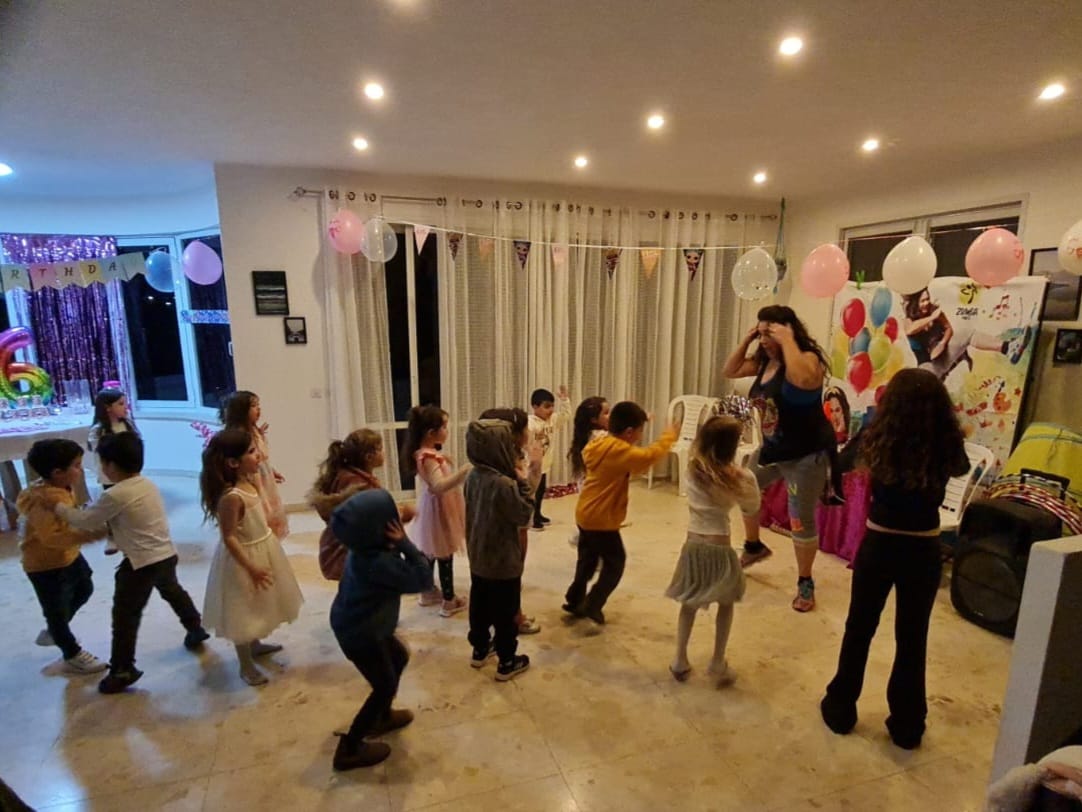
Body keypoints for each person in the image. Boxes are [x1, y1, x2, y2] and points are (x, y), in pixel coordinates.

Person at [820, 368, 970, 750]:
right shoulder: (945, 441)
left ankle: (840, 708)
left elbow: (842, 463)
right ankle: (907, 724)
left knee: (859, 628)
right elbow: (961, 467)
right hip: (924, 549)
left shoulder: (877, 435)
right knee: (912, 637)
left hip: (880, 544)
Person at [56, 433, 209, 694]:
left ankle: (122, 669)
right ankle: (195, 627)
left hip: (140, 563)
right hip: (165, 554)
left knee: (125, 616)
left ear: (111, 466)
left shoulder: (115, 494)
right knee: (173, 591)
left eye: (101, 463)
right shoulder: (146, 484)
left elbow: (86, 520)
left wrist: (59, 508)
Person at [722, 304, 834, 612]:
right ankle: (754, 546)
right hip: (773, 449)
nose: (764, 340)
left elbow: (803, 380)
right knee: (744, 487)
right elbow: (729, 370)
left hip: (806, 454)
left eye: (768, 333)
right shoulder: (763, 362)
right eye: (761, 334)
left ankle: (805, 582)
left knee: (800, 519)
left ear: (787, 330)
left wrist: (787, 341)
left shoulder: (807, 359)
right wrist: (747, 340)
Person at [329, 489, 432, 770]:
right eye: (392, 516)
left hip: (362, 625)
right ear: (381, 530)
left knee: (398, 657)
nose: (398, 516)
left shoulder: (364, 549)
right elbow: (423, 579)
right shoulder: (379, 564)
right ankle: (350, 747)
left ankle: (382, 716)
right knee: (384, 685)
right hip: (361, 634)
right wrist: (406, 543)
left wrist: (394, 539)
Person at [201, 429, 304, 686]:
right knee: (243, 608)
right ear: (233, 462)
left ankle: (255, 644)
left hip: (263, 547)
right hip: (243, 557)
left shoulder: (250, 482)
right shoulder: (231, 497)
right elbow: (229, 537)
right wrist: (251, 567)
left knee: (259, 602)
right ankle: (245, 665)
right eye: (250, 452)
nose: (258, 455)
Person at [563, 401, 677, 632]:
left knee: (587, 560)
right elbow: (649, 456)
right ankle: (593, 604)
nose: (640, 436)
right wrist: (669, 436)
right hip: (601, 519)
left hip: (585, 513)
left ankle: (574, 598)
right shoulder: (619, 451)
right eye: (640, 431)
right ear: (629, 432)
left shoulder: (600, 443)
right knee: (615, 563)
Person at [666, 416, 761, 687]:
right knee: (726, 602)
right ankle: (718, 661)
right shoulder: (741, 477)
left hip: (693, 545)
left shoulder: (692, 470)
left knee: (689, 603)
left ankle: (679, 659)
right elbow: (752, 507)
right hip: (720, 546)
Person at [19, 439, 108, 673]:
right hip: (45, 565)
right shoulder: (43, 501)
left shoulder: (62, 488)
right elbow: (51, 538)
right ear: (57, 473)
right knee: (55, 610)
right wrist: (90, 536)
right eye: (76, 465)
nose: (80, 470)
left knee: (84, 587)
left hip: (69, 555)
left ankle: (56, 629)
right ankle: (71, 653)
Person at [464, 418, 537, 680]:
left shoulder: (473, 476)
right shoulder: (504, 484)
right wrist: (524, 482)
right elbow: (523, 514)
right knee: (506, 613)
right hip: (503, 561)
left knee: (479, 606)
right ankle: (507, 661)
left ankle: (480, 649)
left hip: (478, 556)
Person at [308, 429, 415, 581]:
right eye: (380, 449)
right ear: (369, 457)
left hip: (336, 546)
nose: (383, 453)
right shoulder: (361, 486)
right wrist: (403, 514)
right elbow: (375, 519)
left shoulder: (344, 475)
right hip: (350, 552)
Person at [401, 405, 470, 617]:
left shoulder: (425, 453)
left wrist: (442, 459)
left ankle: (428, 591)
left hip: (434, 506)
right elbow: (439, 486)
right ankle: (449, 600)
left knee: (431, 549)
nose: (447, 431)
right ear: (431, 433)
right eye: (445, 427)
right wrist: (463, 472)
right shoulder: (429, 458)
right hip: (440, 508)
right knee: (443, 551)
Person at [479, 408, 542, 635]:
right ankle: (513, 618)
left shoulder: (493, 463)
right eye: (525, 429)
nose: (528, 433)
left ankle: (511, 614)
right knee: (511, 576)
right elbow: (525, 498)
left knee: (505, 578)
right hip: (512, 529)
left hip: (507, 528)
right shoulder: (508, 467)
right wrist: (535, 467)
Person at [903, 287, 1032, 380]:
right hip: (927, 365)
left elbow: (949, 328)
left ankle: (1008, 348)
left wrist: (943, 343)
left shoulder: (934, 310)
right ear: (915, 303)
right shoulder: (909, 319)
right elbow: (910, 330)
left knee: (967, 331)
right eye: (922, 301)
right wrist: (932, 318)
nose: (926, 303)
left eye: (927, 299)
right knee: (925, 386)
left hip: (941, 356)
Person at [220, 390, 289, 539]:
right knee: (261, 518)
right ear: (240, 410)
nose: (258, 409)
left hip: (265, 480)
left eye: (258, 405)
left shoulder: (255, 431)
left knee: (272, 516)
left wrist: (270, 471)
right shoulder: (239, 436)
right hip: (253, 482)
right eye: (253, 406)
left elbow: (261, 458)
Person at [87, 387, 138, 554]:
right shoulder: (98, 430)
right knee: (113, 505)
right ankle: (112, 535)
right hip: (110, 475)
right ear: (107, 408)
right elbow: (100, 453)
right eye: (121, 404)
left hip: (129, 472)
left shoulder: (127, 424)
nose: (125, 407)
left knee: (130, 504)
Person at [566, 396, 611, 547]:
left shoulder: (586, 435)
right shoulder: (600, 437)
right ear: (594, 420)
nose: (610, 416)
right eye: (606, 413)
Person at [527, 386, 572, 529]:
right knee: (531, 493)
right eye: (546, 406)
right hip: (531, 466)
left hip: (545, 464)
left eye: (552, 406)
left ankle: (538, 513)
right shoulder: (530, 422)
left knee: (540, 492)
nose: (551, 410)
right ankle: (531, 518)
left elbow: (566, 415)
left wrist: (564, 400)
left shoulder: (552, 419)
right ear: (535, 407)